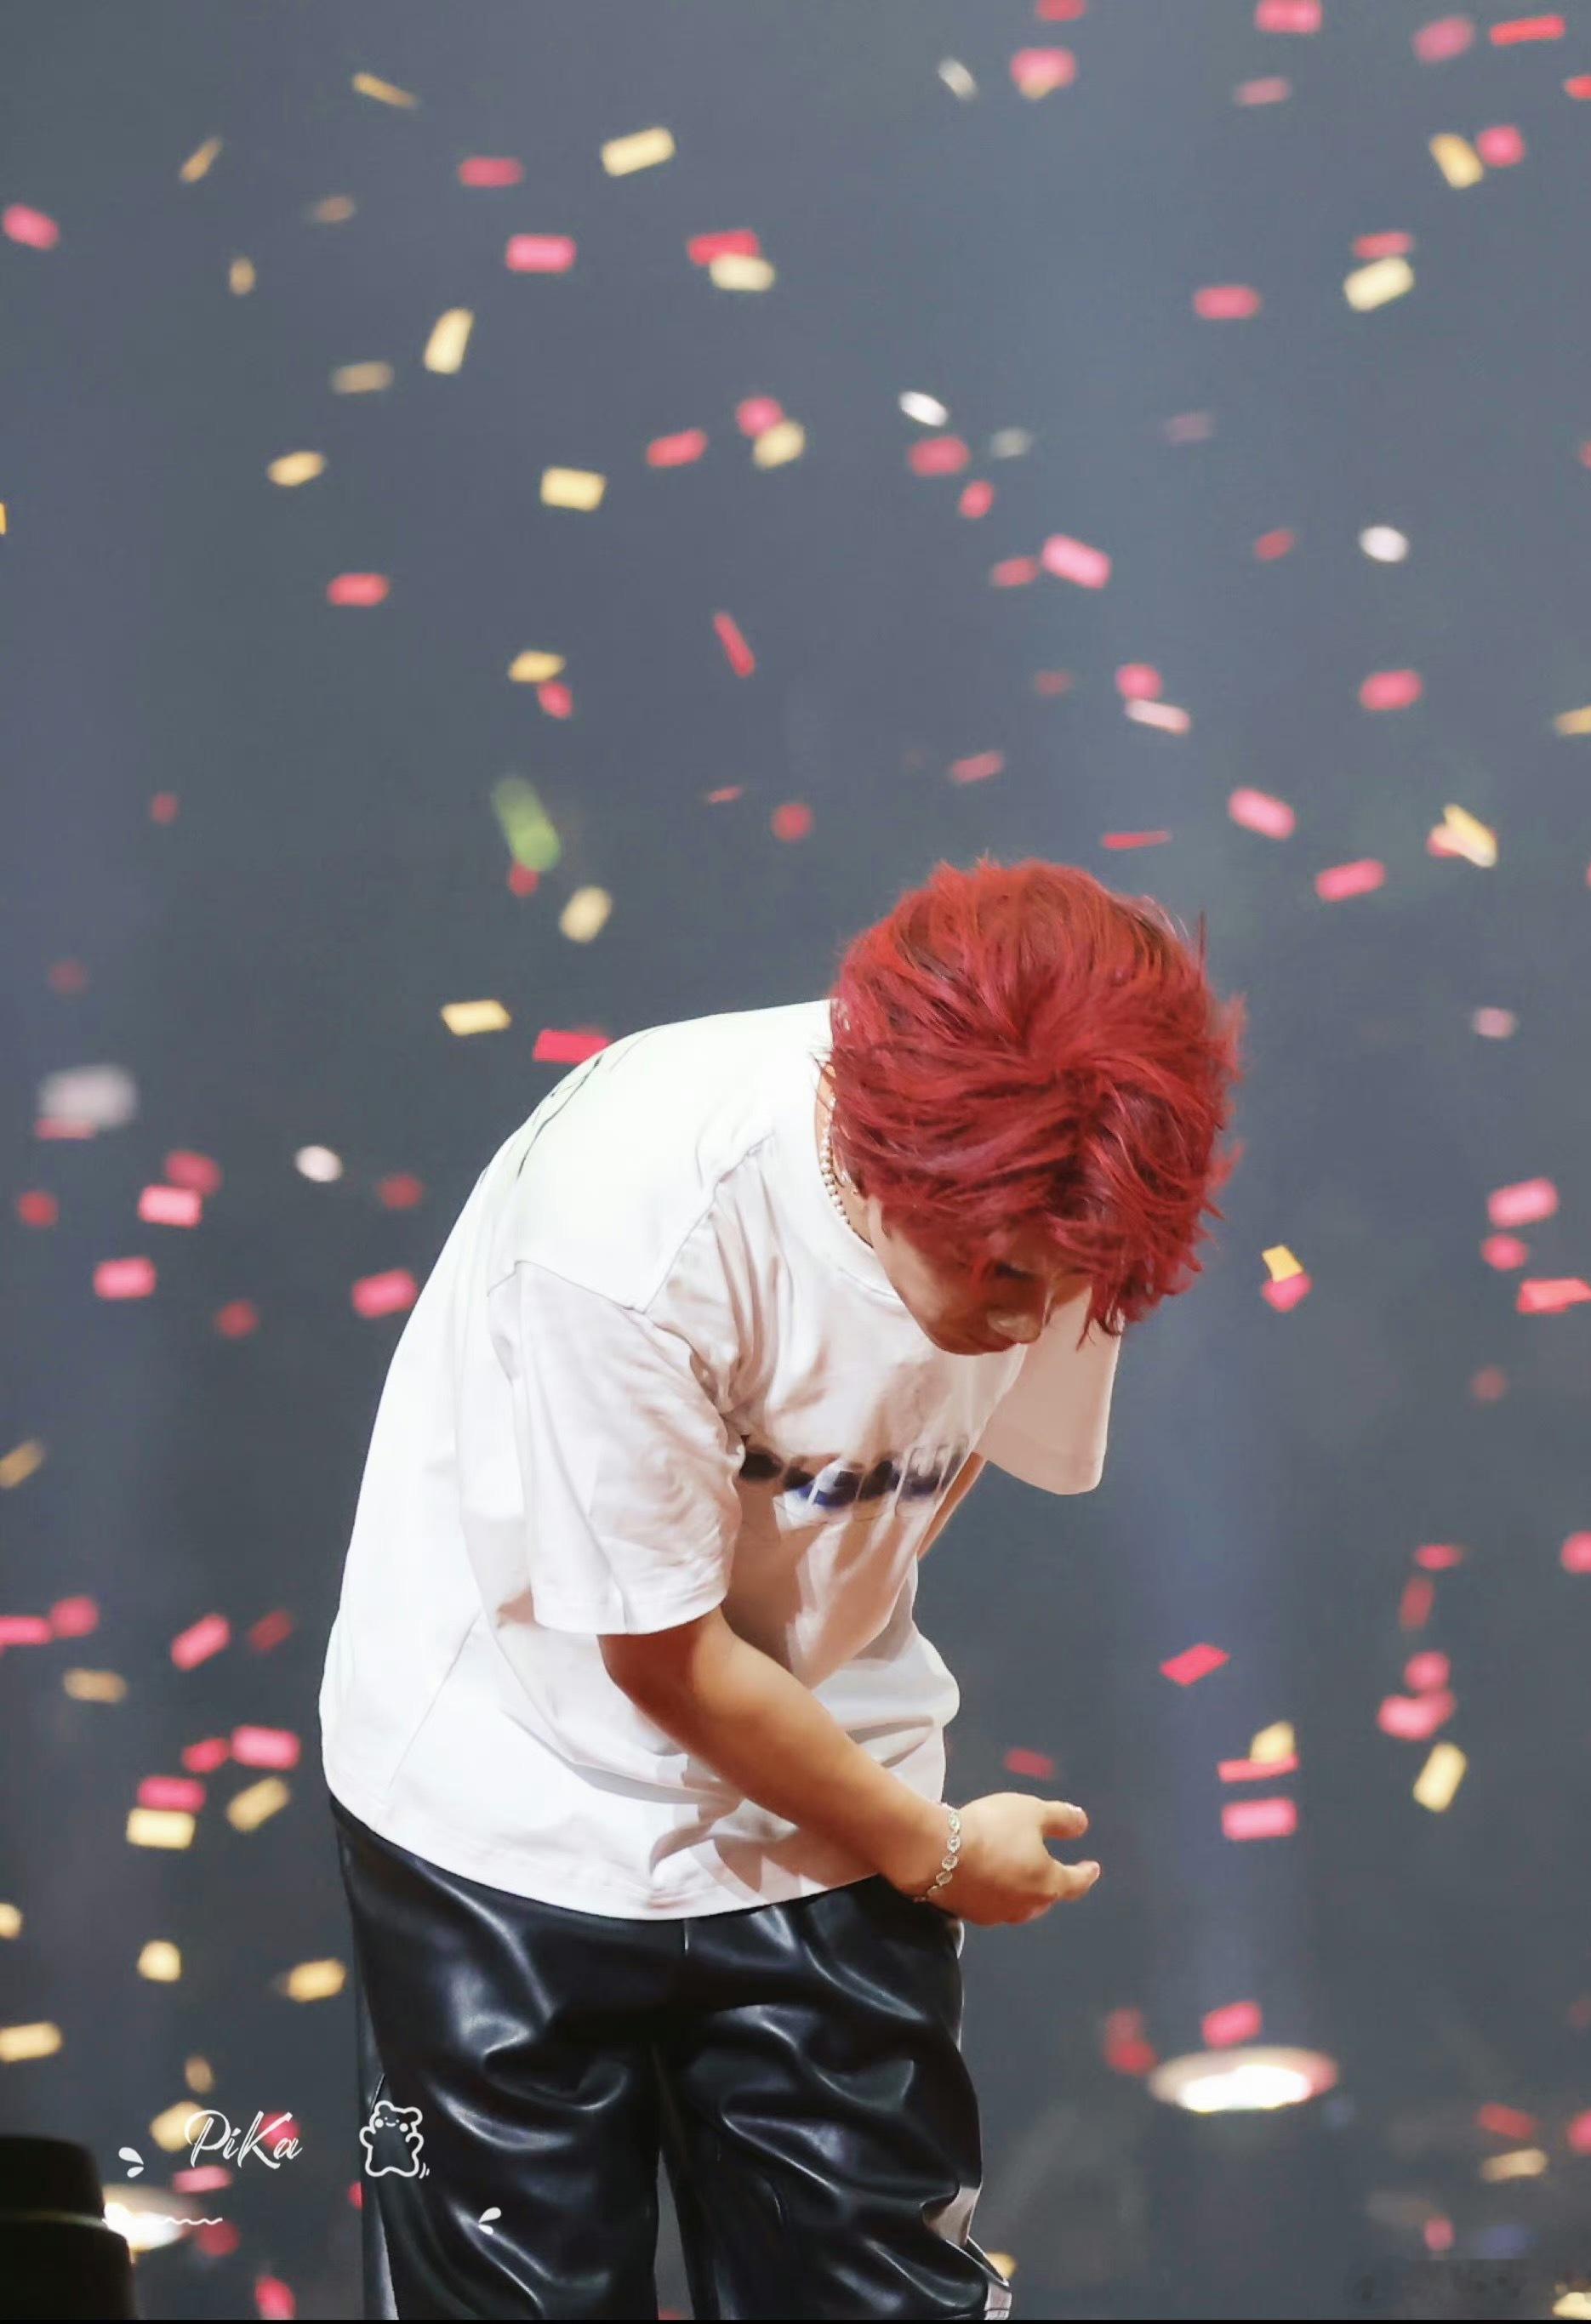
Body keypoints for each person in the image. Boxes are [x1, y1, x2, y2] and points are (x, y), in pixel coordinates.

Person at [318, 854, 1246, 2321]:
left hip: (819, 1764)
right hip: (510, 1783)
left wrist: (877, 1812)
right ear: (890, 1164)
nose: (1028, 1321)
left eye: (1059, 1284)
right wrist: (938, 1852)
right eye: (1001, 1276)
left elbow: (917, 1479)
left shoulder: (1079, 1189)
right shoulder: (635, 1227)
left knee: (882, 2286)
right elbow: (661, 1658)